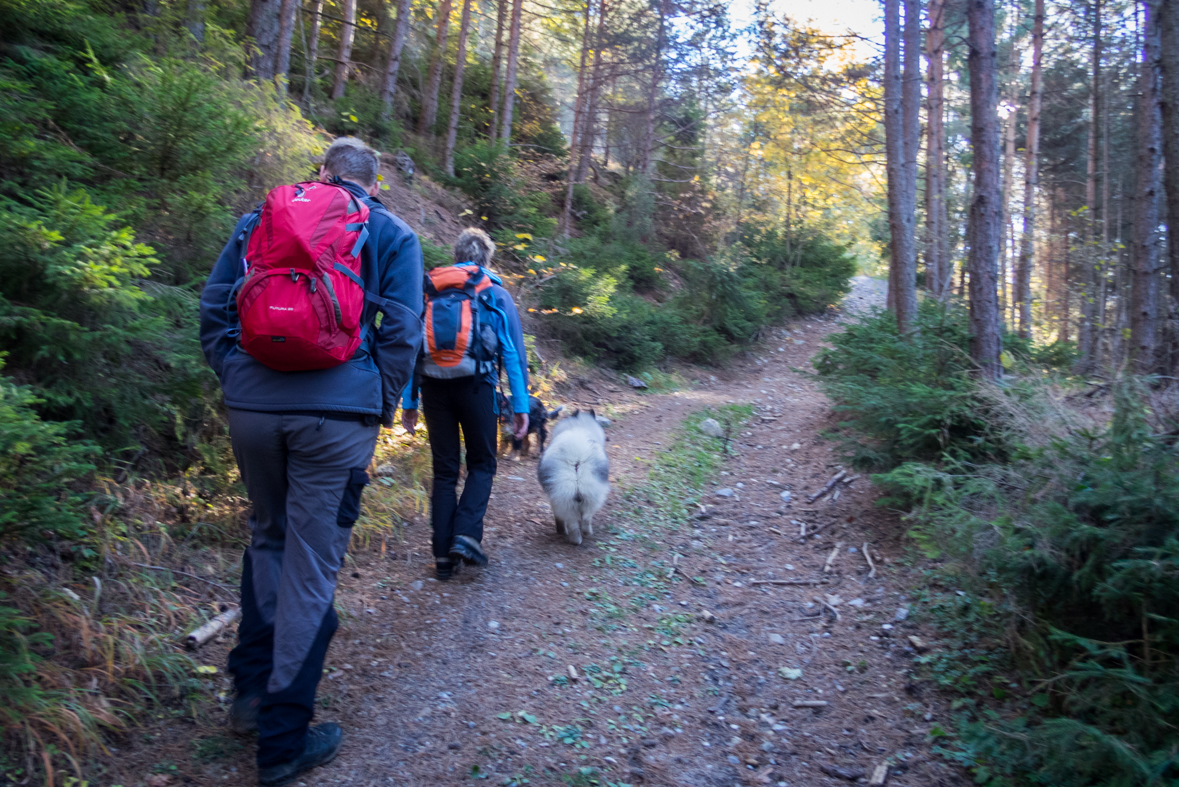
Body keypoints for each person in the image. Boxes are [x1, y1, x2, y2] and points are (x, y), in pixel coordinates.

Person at [198, 137, 423, 786]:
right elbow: (402, 330)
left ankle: (247, 696)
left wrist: (236, 376)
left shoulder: (258, 221)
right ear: (374, 183)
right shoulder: (391, 231)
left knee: (267, 537)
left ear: (321, 173)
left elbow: (214, 308)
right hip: (338, 416)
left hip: (253, 407)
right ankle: (282, 742)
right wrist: (375, 404)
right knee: (311, 566)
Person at [401, 228, 530, 580]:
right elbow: (513, 355)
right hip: (478, 387)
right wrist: (521, 407)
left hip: (433, 389)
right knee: (482, 464)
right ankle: (466, 534)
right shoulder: (495, 294)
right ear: (486, 260)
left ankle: (443, 558)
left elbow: (412, 347)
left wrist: (409, 401)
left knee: (444, 471)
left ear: (457, 255)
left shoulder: (430, 291)